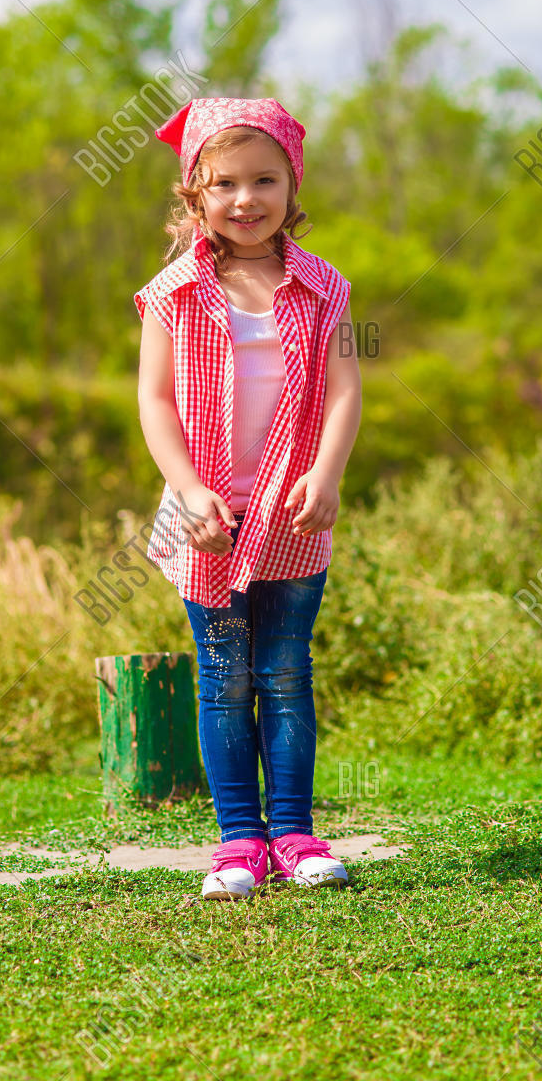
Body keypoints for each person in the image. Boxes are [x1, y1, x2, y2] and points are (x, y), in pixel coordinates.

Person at [134, 96, 361, 899]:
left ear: (291, 185)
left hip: (294, 508)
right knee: (225, 674)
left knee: (286, 671)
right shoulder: (171, 291)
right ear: (195, 192)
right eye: (225, 183)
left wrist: (327, 472)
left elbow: (342, 390)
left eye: (264, 180)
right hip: (209, 518)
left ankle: (295, 833)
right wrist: (189, 490)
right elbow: (156, 402)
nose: (245, 199)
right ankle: (239, 841)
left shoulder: (322, 286)